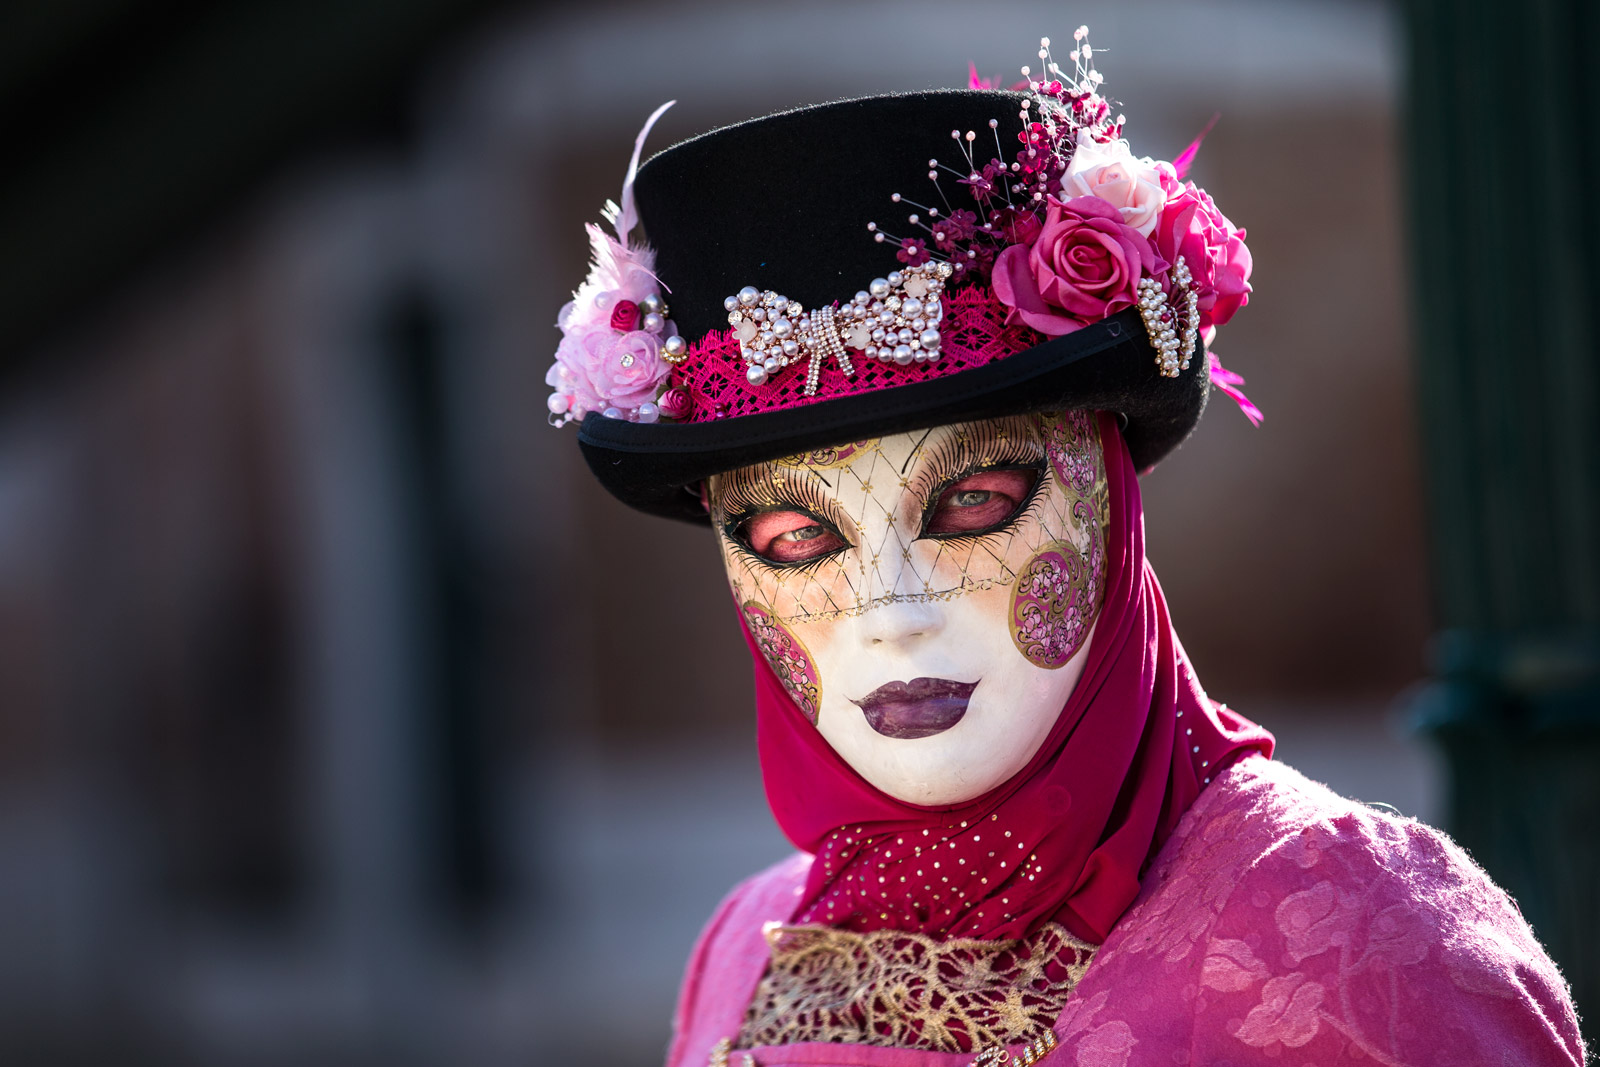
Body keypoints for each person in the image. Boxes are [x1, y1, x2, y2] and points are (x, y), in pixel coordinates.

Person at [545, 30, 1585, 1067]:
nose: (890, 609)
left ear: (1108, 500)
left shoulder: (1356, 942)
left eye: (972, 503)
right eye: (796, 537)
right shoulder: (745, 952)